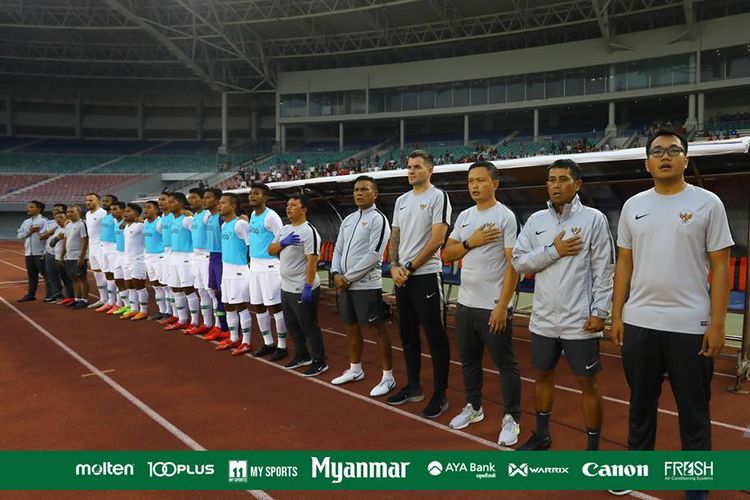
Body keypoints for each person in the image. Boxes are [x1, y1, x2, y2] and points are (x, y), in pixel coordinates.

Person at [611, 129, 733, 456]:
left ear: (686, 159)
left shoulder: (708, 203)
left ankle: (695, 477)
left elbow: (721, 266)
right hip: (639, 322)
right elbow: (624, 263)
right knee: (640, 403)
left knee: (694, 408)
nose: (665, 156)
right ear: (647, 163)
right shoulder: (633, 206)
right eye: (657, 151)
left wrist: (718, 325)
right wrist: (617, 315)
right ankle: (638, 463)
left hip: (690, 325)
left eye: (673, 150)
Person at [512, 158, 614, 451]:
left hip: (579, 320)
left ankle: (592, 450)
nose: (555, 185)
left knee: (588, 383)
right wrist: (553, 251)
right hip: (543, 317)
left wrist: (599, 311)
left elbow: (604, 269)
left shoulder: (594, 219)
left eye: (562, 179)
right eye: (551, 179)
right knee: (542, 376)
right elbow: (518, 261)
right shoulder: (536, 221)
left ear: (577, 184)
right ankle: (542, 435)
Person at [442, 161, 522, 446]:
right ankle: (474, 408)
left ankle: (512, 418)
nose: (474, 186)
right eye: (471, 181)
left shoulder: (505, 217)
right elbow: (446, 254)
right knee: (469, 361)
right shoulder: (464, 216)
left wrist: (503, 304)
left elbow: (514, 266)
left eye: (480, 180)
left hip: (492, 304)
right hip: (465, 303)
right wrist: (471, 242)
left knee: (505, 364)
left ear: (495, 184)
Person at [386, 150, 452, 419]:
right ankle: (414, 386)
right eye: (409, 167)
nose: (411, 171)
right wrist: (393, 266)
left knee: (435, 337)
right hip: (403, 276)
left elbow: (438, 239)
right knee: (408, 335)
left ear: (430, 171)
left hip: (425, 275)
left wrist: (410, 267)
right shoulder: (401, 200)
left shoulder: (438, 197)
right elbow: (395, 237)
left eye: (417, 167)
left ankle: (440, 394)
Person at [330, 175, 395, 397]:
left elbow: (375, 254)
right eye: (356, 190)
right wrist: (336, 272)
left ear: (374, 194)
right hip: (345, 283)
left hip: (366, 285)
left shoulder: (378, 219)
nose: (359, 193)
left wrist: (347, 277)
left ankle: (388, 377)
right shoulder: (348, 219)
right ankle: (355, 369)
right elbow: (338, 249)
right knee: (350, 327)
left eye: (364, 189)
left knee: (376, 329)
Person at [268, 195, 327, 376]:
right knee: (292, 324)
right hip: (285, 286)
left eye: (293, 205)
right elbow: (270, 250)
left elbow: (312, 261)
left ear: (304, 209)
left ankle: (319, 360)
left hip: (301, 287)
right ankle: (302, 355)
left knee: (309, 326)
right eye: (287, 205)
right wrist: (283, 243)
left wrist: (308, 287)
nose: (288, 208)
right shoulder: (285, 229)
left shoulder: (309, 231)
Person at [246, 182, 289, 361]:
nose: (252, 196)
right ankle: (268, 342)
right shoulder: (252, 215)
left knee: (275, 307)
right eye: (251, 193)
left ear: (265, 197)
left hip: (270, 266)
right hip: (254, 266)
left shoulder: (271, 216)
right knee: (258, 306)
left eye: (256, 193)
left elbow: (282, 238)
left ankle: (282, 345)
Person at [213, 193, 254, 356]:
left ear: (233, 206)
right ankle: (234, 337)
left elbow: (251, 245)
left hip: (238, 270)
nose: (219, 206)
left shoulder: (240, 224)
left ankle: (246, 341)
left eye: (223, 203)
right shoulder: (224, 225)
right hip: (226, 270)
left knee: (241, 307)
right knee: (229, 306)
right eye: (219, 203)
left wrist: (248, 264)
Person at [164, 192, 197, 332]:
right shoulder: (172, 219)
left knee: (188, 289)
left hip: (186, 257)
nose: (168, 204)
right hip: (174, 256)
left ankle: (195, 321)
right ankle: (182, 319)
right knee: (175, 288)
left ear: (181, 203)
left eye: (172, 202)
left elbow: (197, 235)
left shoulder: (187, 219)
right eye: (168, 201)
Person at [201, 188, 231, 341]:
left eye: (208, 197)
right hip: (212, 257)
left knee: (224, 294)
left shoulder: (221, 218)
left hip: (221, 258)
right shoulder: (209, 218)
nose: (204, 200)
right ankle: (221, 326)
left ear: (217, 200)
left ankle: (230, 330)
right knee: (216, 293)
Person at [184, 188, 212, 335]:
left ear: (203, 199)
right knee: (201, 291)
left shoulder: (207, 216)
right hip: (196, 257)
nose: (190, 200)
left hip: (207, 256)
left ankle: (220, 326)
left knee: (212, 292)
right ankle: (207, 323)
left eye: (194, 197)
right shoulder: (195, 215)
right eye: (190, 197)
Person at [120, 203, 149, 321]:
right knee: (130, 285)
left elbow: (149, 225)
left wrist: (143, 221)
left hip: (138, 259)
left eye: (128, 211)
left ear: (136, 214)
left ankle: (144, 311)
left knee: (139, 286)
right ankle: (134, 309)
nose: (125, 213)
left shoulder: (140, 226)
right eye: (125, 211)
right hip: (127, 259)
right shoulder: (126, 226)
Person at [16, 200, 48, 302]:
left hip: (40, 252)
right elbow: (19, 236)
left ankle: (52, 294)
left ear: (38, 209)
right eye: (28, 207)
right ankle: (31, 294)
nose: (28, 209)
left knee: (46, 275)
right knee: (32, 275)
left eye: (31, 207)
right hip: (28, 253)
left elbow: (47, 237)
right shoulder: (26, 222)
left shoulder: (44, 221)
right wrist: (30, 231)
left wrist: (45, 252)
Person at [142, 200, 169, 321]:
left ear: (156, 210)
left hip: (160, 257)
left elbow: (167, 239)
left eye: (149, 207)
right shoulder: (145, 222)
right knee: (156, 286)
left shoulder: (160, 223)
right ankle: (162, 310)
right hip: (149, 257)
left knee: (165, 286)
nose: (146, 210)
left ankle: (170, 312)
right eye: (144, 208)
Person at [60, 205, 90, 309]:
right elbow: (65, 240)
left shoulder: (82, 224)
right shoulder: (68, 225)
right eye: (68, 212)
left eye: (72, 212)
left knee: (81, 278)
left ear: (79, 213)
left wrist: (82, 257)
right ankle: (77, 299)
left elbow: (85, 241)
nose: (69, 214)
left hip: (78, 256)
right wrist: (62, 255)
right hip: (69, 256)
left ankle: (84, 300)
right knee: (74, 278)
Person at [84, 192, 110, 309]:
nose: (88, 202)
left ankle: (111, 300)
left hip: (102, 246)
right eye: (87, 200)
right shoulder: (87, 214)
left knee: (107, 274)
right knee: (97, 273)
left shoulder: (103, 213)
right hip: (92, 246)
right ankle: (103, 298)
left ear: (98, 201)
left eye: (91, 200)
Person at [95, 194, 120, 313]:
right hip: (103, 246)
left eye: (107, 201)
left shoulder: (116, 218)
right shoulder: (105, 216)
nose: (104, 203)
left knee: (117, 276)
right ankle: (111, 301)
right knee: (108, 275)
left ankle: (120, 303)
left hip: (113, 248)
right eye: (103, 201)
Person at [106, 202, 130, 316]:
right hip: (118, 254)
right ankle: (126, 305)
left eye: (115, 209)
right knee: (118, 280)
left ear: (123, 210)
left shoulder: (128, 222)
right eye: (111, 209)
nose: (112, 212)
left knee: (129, 282)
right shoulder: (116, 222)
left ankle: (133, 306)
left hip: (127, 254)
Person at [40, 204, 67, 303]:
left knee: (65, 276)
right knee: (52, 275)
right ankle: (57, 295)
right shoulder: (49, 223)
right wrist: (50, 232)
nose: (55, 212)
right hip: (50, 252)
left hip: (62, 253)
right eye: (54, 210)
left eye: (58, 210)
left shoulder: (68, 224)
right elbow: (41, 236)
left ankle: (70, 296)